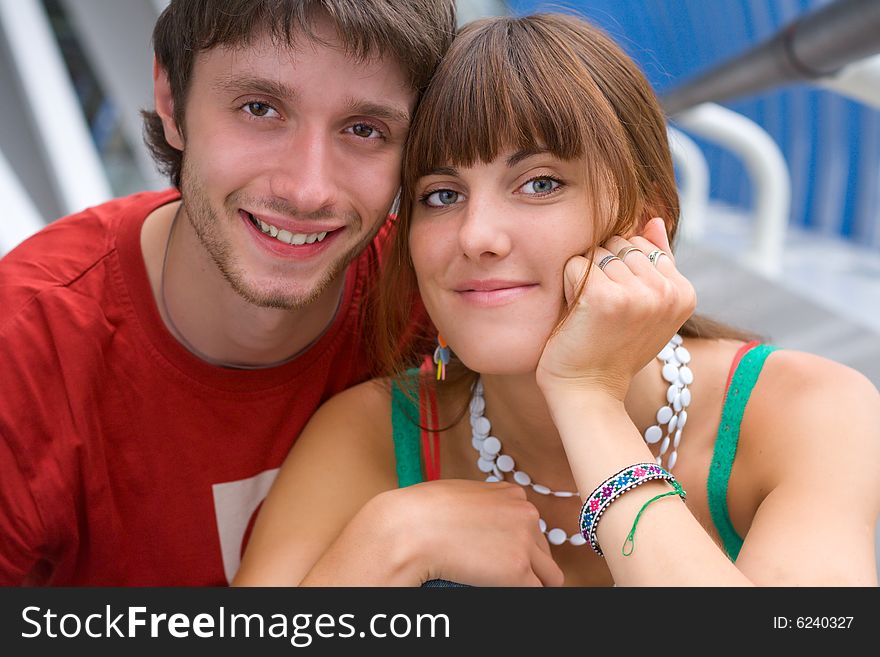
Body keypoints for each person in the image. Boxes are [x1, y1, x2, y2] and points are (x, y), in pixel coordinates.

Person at [234, 12, 880, 587]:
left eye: (540, 183)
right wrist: (392, 544)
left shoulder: (807, 409)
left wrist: (588, 397)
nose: (477, 235)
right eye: (440, 194)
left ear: (643, 217)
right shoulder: (374, 435)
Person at [0, 0, 456, 585]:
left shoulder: (438, 294)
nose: (307, 190)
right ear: (171, 100)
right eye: (260, 108)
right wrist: (386, 545)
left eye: (365, 129)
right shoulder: (26, 354)